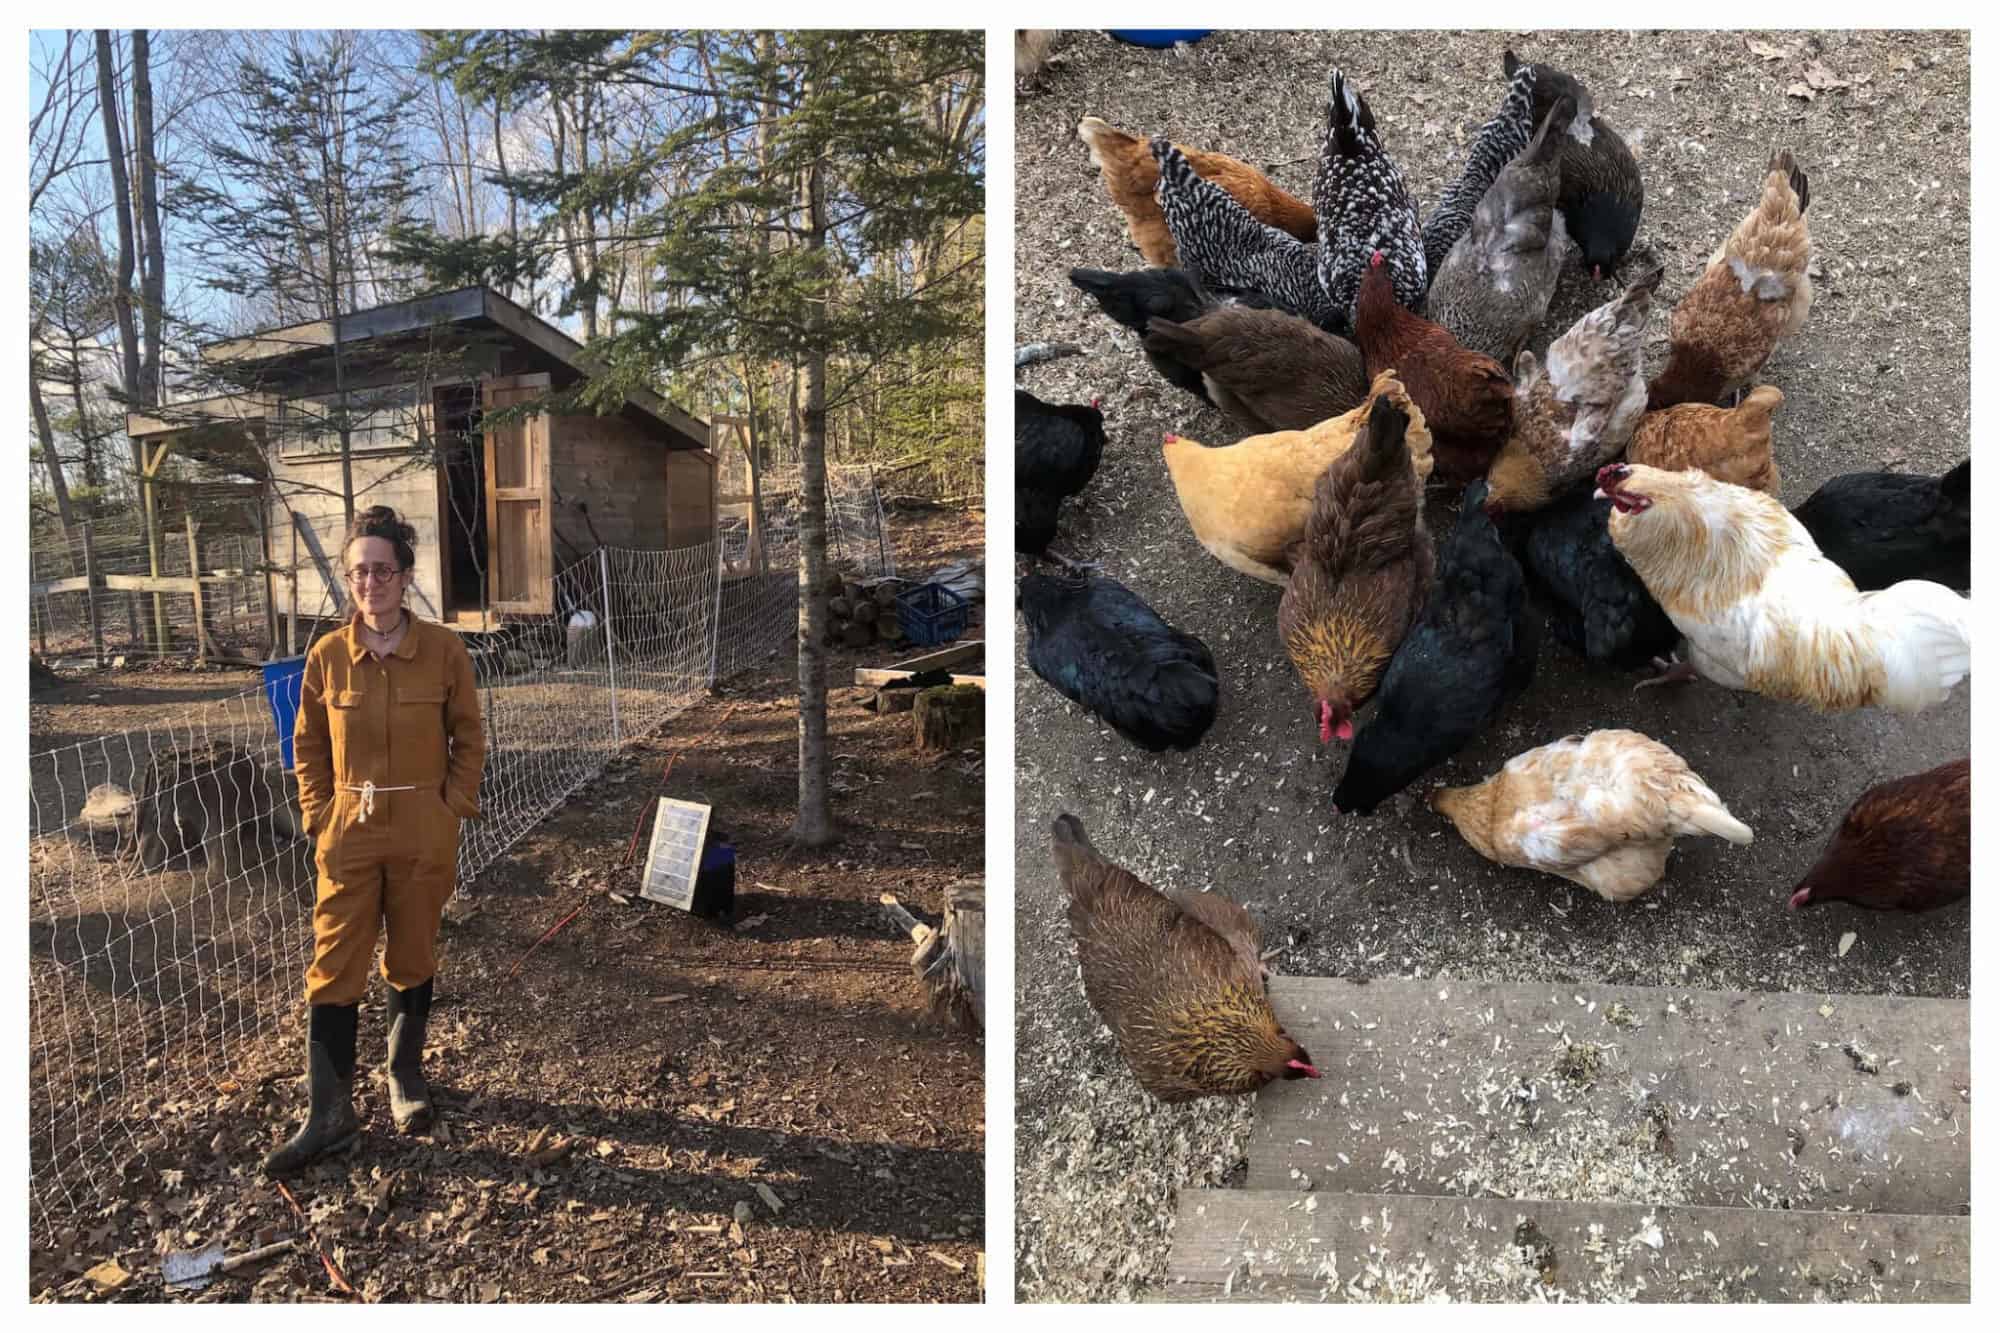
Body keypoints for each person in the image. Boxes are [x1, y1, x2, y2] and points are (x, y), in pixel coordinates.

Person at [266, 506, 485, 1175]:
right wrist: (318, 817)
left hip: (423, 831)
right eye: (359, 570)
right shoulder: (329, 655)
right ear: (348, 576)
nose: (371, 581)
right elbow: (306, 744)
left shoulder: (444, 648)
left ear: (404, 573)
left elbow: (469, 736)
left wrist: (450, 808)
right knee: (333, 964)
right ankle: (328, 1114)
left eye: (382, 569)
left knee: (413, 953)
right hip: (349, 835)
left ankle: (404, 1078)